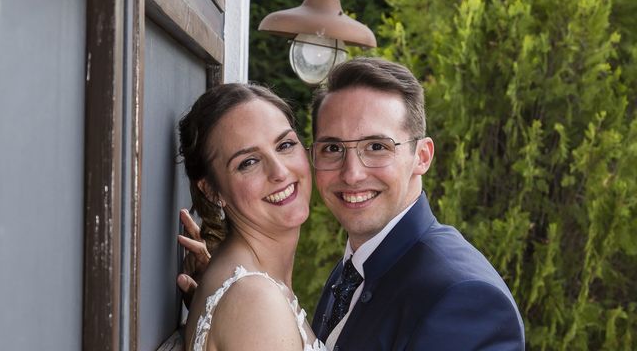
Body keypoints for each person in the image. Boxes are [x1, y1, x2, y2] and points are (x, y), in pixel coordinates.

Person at [180, 57, 525, 350]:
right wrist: (237, 305)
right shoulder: (327, 277)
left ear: (422, 156)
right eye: (333, 147)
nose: (353, 173)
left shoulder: (464, 298)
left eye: (377, 146)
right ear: (212, 190)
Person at [177, 83, 328, 351]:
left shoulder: (248, 285)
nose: (279, 171)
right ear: (211, 190)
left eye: (285, 145)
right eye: (248, 162)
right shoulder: (256, 301)